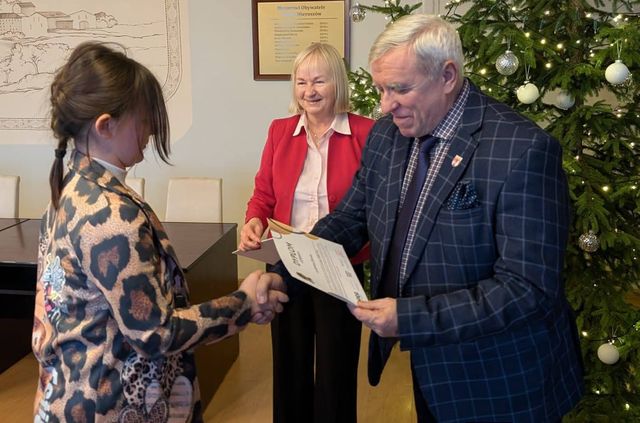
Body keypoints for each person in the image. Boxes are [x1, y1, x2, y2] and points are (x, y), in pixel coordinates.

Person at [262, 14, 584, 423]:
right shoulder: (386, 135)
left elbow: (528, 288)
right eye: (381, 89)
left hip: (501, 380)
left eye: (400, 88)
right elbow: (349, 219)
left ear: (447, 76)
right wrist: (285, 271)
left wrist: (409, 317)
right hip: (431, 370)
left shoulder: (522, 149)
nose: (385, 105)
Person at [31, 42, 288, 423]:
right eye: (143, 118)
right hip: (110, 403)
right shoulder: (110, 216)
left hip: (68, 395)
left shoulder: (68, 192)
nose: (151, 130)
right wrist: (244, 302)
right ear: (106, 125)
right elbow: (154, 333)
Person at [238, 42, 374, 422]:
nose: (309, 91)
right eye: (301, 82)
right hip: (287, 262)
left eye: (319, 81)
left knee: (336, 370)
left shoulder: (367, 133)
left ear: (337, 83)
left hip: (338, 265)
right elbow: (264, 194)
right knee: (289, 365)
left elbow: (373, 205)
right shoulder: (280, 131)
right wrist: (254, 220)